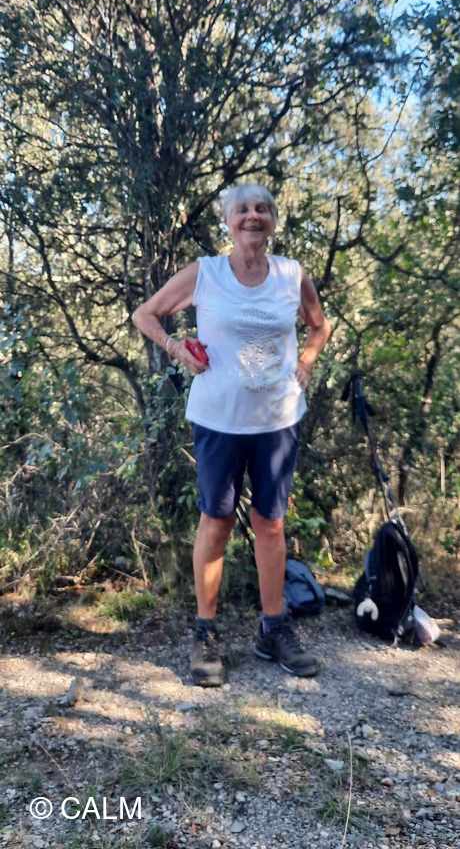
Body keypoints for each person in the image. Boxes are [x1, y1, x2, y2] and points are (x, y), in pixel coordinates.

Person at [132, 183, 332, 687]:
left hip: (277, 421)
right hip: (218, 419)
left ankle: (273, 629)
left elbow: (318, 326)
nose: (252, 216)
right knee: (216, 520)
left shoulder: (291, 274)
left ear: (273, 220)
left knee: (271, 524)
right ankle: (206, 632)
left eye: (262, 208)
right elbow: (145, 314)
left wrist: (307, 361)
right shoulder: (207, 273)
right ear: (228, 221)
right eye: (242, 209)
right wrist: (176, 348)